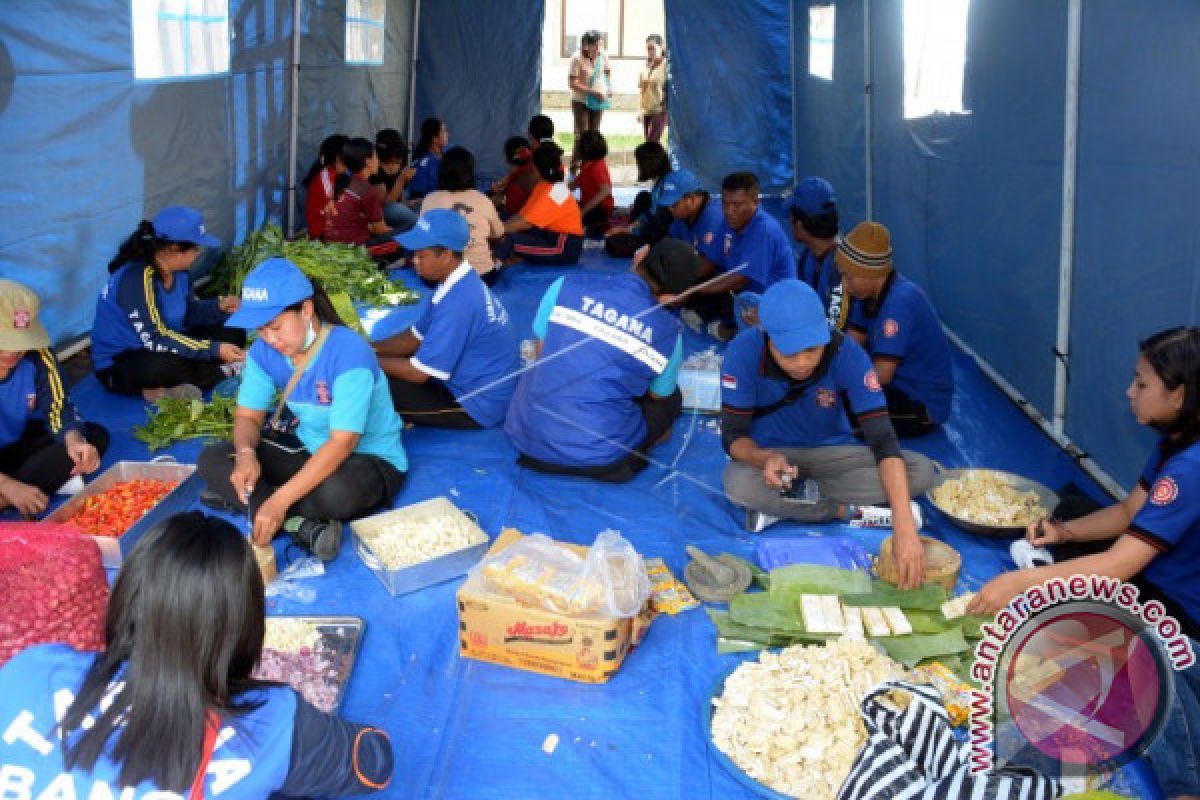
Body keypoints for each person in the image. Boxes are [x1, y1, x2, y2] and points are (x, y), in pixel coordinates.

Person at [961, 327, 1200, 798]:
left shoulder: (1191, 467)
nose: (1129, 393)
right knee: (1069, 529)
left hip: (1182, 618)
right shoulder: (1177, 438)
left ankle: (1184, 783)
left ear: (1180, 394)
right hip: (1153, 581)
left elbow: (1117, 567)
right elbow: (1130, 513)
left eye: (1142, 384)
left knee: (1134, 655)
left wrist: (1024, 582)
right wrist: (1065, 532)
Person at [0, 511, 393, 797]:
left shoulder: (30, 669)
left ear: (125, 596)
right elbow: (373, 764)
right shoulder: (269, 724)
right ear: (246, 628)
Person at [720, 280, 933, 588]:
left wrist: (903, 526)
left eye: (812, 349)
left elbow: (883, 441)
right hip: (772, 459)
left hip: (832, 454)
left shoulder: (846, 352)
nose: (804, 362)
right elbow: (733, 437)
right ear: (768, 337)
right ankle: (842, 510)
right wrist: (763, 457)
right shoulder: (744, 352)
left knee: (921, 470)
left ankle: (788, 506)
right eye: (790, 353)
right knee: (738, 483)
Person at [196, 258, 407, 561]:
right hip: (308, 448)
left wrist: (278, 501)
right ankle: (301, 525)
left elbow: (342, 443)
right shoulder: (263, 352)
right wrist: (245, 453)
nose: (269, 339)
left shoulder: (349, 354)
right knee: (214, 458)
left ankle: (260, 504)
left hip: (367, 459)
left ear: (306, 310)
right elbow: (248, 416)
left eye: (276, 327)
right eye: (261, 330)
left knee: (336, 494)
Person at [505, 239, 700, 483]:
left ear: (640, 257)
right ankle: (653, 436)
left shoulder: (565, 285)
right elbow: (659, 396)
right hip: (602, 459)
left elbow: (541, 353)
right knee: (671, 397)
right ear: (674, 296)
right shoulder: (669, 333)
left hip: (528, 438)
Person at [373, 210, 519, 429]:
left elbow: (419, 373)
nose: (414, 262)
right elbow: (415, 336)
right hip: (473, 385)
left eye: (421, 256)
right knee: (374, 368)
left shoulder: (459, 302)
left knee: (369, 381)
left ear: (446, 255)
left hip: (475, 405)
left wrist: (364, 357)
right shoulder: (457, 281)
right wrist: (370, 347)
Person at [92, 206, 246, 401]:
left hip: (167, 340)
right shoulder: (136, 277)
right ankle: (222, 372)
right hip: (123, 360)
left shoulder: (180, 272)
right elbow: (155, 338)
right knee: (167, 367)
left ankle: (199, 377)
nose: (198, 253)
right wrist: (214, 349)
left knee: (234, 331)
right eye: (195, 248)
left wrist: (218, 307)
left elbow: (187, 314)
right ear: (174, 249)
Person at [0, 281, 108, 516]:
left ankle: (14, 496)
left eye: (19, 345)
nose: (13, 353)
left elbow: (58, 408)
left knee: (92, 437)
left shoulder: (38, 356)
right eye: (5, 344)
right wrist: (7, 486)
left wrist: (73, 440)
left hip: (10, 446)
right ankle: (22, 490)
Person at [839, 221, 954, 436]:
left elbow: (881, 375)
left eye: (849, 277)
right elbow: (847, 346)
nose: (845, 285)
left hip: (919, 403)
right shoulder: (864, 294)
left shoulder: (900, 304)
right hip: (893, 387)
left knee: (837, 416)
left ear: (871, 272)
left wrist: (837, 382)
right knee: (823, 397)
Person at [693, 171, 796, 341]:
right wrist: (680, 282)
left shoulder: (764, 230)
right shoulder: (729, 223)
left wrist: (695, 291)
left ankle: (738, 331)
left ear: (756, 202)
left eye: (736, 205)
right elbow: (710, 260)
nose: (729, 211)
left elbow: (740, 279)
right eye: (725, 204)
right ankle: (730, 327)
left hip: (771, 304)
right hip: (742, 298)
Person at [418, 146, 504, 282]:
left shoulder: (430, 199)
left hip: (436, 279)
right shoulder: (482, 199)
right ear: (470, 173)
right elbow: (498, 233)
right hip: (481, 277)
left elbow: (422, 236)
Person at [656, 168, 726, 329]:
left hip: (721, 278)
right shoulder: (683, 217)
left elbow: (708, 265)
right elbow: (668, 244)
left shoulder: (713, 217)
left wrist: (676, 287)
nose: (670, 209)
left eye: (674, 205)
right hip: (696, 270)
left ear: (691, 199)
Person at [495, 142, 584, 267]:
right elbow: (521, 216)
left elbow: (523, 223)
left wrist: (490, 232)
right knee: (505, 222)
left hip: (564, 247)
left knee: (508, 240)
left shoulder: (552, 193)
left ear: (536, 168)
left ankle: (491, 271)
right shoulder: (543, 185)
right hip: (550, 235)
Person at [791, 176, 849, 331]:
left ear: (801, 224)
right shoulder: (807, 257)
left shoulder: (842, 266)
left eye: (792, 217)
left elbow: (836, 332)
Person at [322, 137, 397, 253]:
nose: (378, 161)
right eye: (376, 156)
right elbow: (380, 230)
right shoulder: (366, 189)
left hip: (331, 243)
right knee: (409, 231)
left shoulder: (341, 182)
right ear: (367, 161)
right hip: (354, 249)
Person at [604, 141, 674, 258]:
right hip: (652, 227)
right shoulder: (660, 182)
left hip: (660, 233)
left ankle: (646, 244)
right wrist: (627, 228)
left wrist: (628, 231)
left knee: (615, 244)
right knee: (643, 196)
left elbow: (658, 220)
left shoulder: (669, 185)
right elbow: (649, 213)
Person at [568, 31, 610, 168]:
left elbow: (607, 72)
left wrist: (609, 87)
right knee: (583, 134)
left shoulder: (602, 56)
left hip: (598, 100)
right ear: (586, 45)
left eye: (600, 45)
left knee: (594, 133)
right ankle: (576, 164)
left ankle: (590, 165)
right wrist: (592, 92)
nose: (598, 49)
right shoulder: (577, 58)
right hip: (581, 101)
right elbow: (572, 84)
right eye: (595, 46)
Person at [371, 128, 419, 233]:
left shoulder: (401, 165)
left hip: (399, 209)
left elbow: (400, 200)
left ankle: (420, 223)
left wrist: (409, 203)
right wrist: (401, 180)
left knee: (421, 203)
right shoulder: (375, 170)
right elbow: (386, 206)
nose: (399, 159)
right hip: (385, 212)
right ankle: (424, 226)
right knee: (394, 209)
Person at [302, 133, 346, 240]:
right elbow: (335, 211)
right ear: (337, 157)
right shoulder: (325, 178)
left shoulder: (337, 174)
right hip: (323, 235)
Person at [571, 130, 615, 238]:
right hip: (588, 206)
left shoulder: (597, 166)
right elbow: (574, 184)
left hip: (600, 209)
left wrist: (583, 211)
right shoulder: (587, 164)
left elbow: (605, 191)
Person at [490, 136, 537, 217]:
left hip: (518, 218)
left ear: (508, 160)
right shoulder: (535, 170)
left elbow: (512, 212)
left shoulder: (515, 186)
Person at [406, 118, 449, 204]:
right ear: (434, 138)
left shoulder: (448, 157)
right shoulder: (422, 164)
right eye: (444, 131)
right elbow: (414, 199)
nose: (447, 134)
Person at [638, 34, 668, 143]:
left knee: (652, 142)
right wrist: (639, 110)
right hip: (647, 110)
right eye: (648, 49)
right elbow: (642, 90)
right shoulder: (646, 67)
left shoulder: (666, 66)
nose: (650, 51)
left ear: (661, 47)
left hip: (659, 110)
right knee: (648, 142)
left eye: (653, 48)